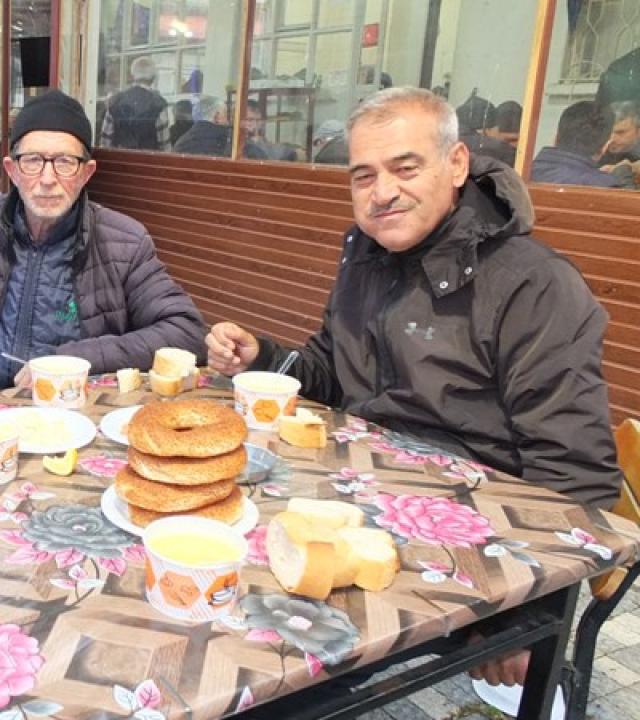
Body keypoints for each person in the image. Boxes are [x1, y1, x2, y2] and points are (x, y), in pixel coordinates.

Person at [206, 85, 623, 693]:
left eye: (405, 168)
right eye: (362, 176)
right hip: (356, 503)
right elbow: (329, 370)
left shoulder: (533, 287)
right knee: (221, 565)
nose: (382, 193)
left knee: (272, 661)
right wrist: (265, 357)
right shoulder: (369, 256)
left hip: (469, 542)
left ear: (456, 165)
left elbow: (575, 474)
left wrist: (526, 618)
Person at [0, 90, 206, 401]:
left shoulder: (124, 243)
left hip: (73, 414)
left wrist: (75, 360)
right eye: (33, 161)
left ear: (87, 173)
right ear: (12, 170)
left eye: (65, 162)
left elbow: (185, 332)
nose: (47, 179)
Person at [531, 100, 635, 188]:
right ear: (604, 147)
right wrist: (624, 180)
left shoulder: (520, 173)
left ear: (555, 138)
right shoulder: (607, 185)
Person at [100, 56, 170, 150]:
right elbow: (165, 144)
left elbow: (105, 141)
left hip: (120, 160)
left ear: (133, 76)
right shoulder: (159, 104)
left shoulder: (115, 101)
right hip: (148, 161)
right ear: (153, 78)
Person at [599, 100, 639, 167]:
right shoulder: (594, 152)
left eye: (620, 132)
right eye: (607, 131)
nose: (611, 139)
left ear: (638, 132)